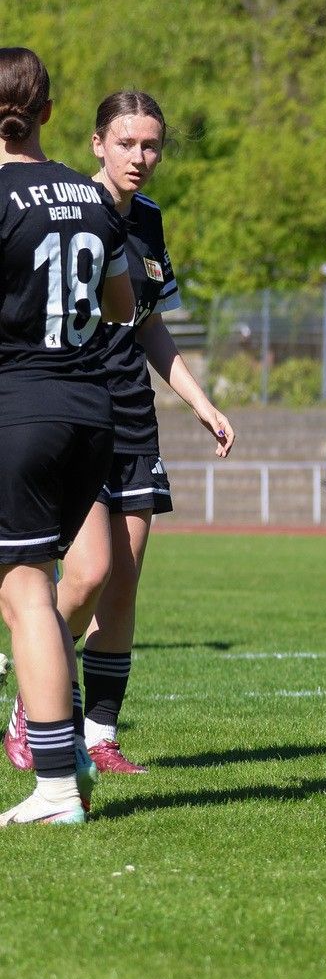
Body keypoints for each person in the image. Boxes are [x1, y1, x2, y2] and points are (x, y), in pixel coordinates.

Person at [7, 91, 236, 779]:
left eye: (152, 145)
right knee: (86, 573)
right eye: (128, 143)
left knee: (125, 581)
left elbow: (150, 325)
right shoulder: (69, 204)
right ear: (97, 142)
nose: (141, 157)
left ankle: (98, 733)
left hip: (132, 409)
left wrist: (199, 399)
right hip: (72, 404)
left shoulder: (151, 221)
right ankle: (37, 700)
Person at [0, 47, 137, 825]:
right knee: (40, 589)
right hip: (92, 412)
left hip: (21, 408)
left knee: (24, 591)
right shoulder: (93, 200)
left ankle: (54, 781)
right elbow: (122, 305)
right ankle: (70, 759)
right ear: (50, 112)